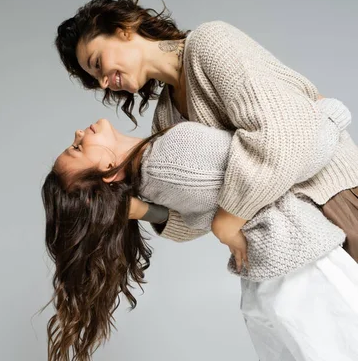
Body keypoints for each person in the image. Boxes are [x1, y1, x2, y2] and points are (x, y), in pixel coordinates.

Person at [41, 98, 358, 361]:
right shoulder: (171, 153)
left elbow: (199, 217)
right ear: (107, 171)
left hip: (265, 282)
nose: (79, 132)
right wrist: (331, 113)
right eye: (78, 148)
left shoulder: (151, 177)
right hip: (300, 266)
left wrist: (140, 210)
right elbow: (283, 157)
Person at [54, 0, 358, 261]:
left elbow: (281, 136)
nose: (103, 82)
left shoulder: (210, 44)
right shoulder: (166, 119)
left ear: (123, 30)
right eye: (95, 79)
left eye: (97, 63)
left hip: (336, 197)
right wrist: (138, 210)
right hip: (301, 232)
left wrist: (226, 223)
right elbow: (200, 212)